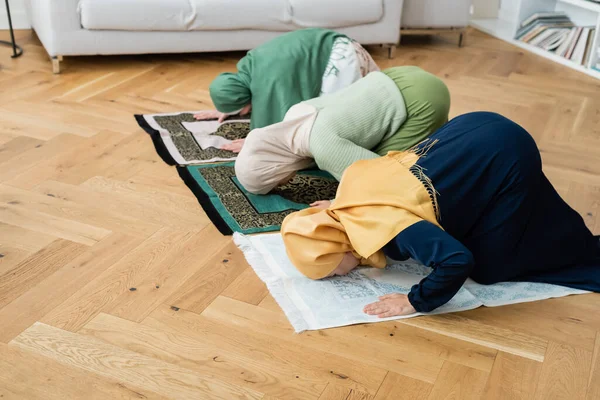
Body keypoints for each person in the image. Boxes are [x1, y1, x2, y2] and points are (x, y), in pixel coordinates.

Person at [280, 112, 600, 317]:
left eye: (334, 272)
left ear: (341, 248)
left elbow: (457, 261)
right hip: (472, 128)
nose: (340, 277)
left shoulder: (392, 227)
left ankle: (573, 249)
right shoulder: (348, 192)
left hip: (506, 152)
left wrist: (415, 301)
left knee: (491, 267)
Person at [234, 66, 451, 194]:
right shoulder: (295, 114)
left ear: (274, 169)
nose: (285, 184)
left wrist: (335, 206)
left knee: (392, 176)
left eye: (275, 184)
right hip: (398, 74)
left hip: (424, 98)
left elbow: (377, 179)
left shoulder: (325, 149)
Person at [194, 28, 380, 152]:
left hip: (342, 62)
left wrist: (256, 144)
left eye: (241, 109)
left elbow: (282, 121)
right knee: (377, 93)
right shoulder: (252, 64)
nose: (247, 112)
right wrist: (227, 104)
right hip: (345, 46)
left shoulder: (270, 81)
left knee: (327, 123)